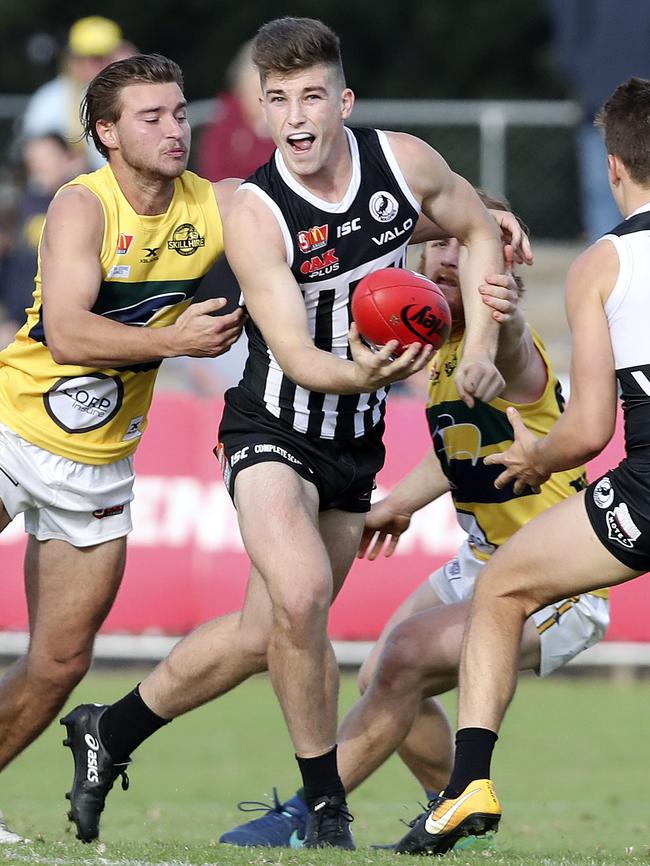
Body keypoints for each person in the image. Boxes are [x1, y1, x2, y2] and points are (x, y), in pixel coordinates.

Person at [62, 17, 531, 850]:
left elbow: (479, 227)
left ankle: (111, 730)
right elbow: (295, 352)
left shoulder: (403, 163)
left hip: (355, 444)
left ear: (342, 100)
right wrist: (371, 374)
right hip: (272, 422)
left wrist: (487, 345)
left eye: (311, 96)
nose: (297, 118)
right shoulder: (254, 211)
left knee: (264, 632)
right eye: (277, 100)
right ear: (262, 109)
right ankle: (325, 809)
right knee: (305, 594)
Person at [217, 195, 609, 851]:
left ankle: (308, 815)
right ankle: (451, 809)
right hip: (485, 561)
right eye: (439, 246)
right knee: (380, 676)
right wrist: (400, 502)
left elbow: (510, 352)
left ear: (498, 263)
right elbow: (458, 443)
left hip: (554, 579)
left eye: (466, 246)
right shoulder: (443, 345)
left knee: (399, 659)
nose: (448, 257)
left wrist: (503, 314)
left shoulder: (502, 348)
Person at [396, 75, 650, 855]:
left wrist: (537, 456)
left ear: (612, 167)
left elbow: (589, 431)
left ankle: (468, 785)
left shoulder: (602, 264)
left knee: (503, 585)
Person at [0, 53, 244, 844]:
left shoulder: (218, 203)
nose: (176, 129)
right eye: (152, 117)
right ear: (105, 133)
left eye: (179, 113)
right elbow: (68, 332)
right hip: (11, 427)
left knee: (61, 663)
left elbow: (342, 204)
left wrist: (474, 217)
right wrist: (174, 338)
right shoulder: (83, 203)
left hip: (99, 463)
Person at [546, 0, 650, 243]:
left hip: (606, 95)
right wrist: (585, 77)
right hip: (602, 99)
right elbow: (567, 33)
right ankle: (608, 266)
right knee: (602, 191)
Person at [0, 134, 86, 349]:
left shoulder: (87, 202)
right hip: (20, 323)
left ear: (69, 159)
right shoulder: (24, 205)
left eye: (46, 157)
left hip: (68, 324)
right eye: (33, 160)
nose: (39, 166)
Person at [21, 16, 126, 171]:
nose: (103, 64)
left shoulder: (132, 95)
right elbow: (35, 153)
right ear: (74, 58)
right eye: (94, 57)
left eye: (108, 56)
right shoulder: (50, 99)